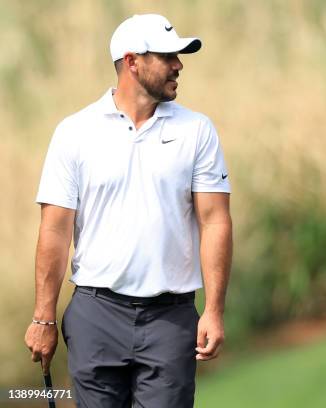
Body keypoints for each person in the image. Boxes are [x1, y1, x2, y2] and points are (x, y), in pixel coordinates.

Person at [24, 14, 232, 407]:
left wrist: (215, 311)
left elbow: (215, 220)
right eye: (167, 56)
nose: (178, 65)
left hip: (170, 319)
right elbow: (54, 231)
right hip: (95, 315)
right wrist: (43, 318)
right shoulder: (75, 132)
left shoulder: (197, 130)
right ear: (132, 62)